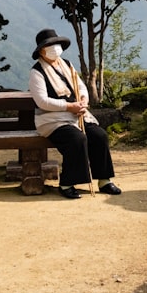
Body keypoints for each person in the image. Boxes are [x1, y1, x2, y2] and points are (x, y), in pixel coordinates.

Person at [28, 28, 120, 199]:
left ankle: (104, 180)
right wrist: (69, 107)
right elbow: (42, 101)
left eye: (56, 44)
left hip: (76, 114)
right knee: (77, 138)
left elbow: (81, 86)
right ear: (41, 50)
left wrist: (83, 100)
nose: (54, 48)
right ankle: (67, 183)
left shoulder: (67, 65)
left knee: (99, 135)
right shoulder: (37, 72)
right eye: (50, 45)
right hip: (52, 119)